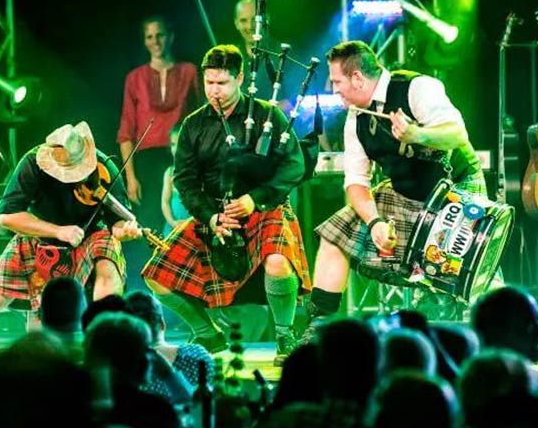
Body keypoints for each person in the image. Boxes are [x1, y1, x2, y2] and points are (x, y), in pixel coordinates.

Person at [142, 44, 311, 361]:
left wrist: (254, 200)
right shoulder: (193, 125)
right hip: (215, 214)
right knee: (156, 275)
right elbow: (185, 181)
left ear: (240, 78)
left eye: (222, 83)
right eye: (209, 82)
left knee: (278, 262)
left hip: (264, 210)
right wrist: (210, 217)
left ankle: (285, 336)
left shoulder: (267, 115)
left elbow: (294, 166)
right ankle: (207, 334)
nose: (214, 91)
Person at [302, 40, 485, 333]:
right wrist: (374, 222)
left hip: (456, 191)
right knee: (334, 237)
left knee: (469, 273)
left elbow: (457, 134)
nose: (334, 90)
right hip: (404, 193)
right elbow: (356, 182)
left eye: (337, 82)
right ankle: (318, 329)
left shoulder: (417, 88)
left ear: (357, 78)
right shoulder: (355, 118)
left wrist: (417, 135)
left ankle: (516, 331)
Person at [0, 122, 140, 331]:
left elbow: (117, 224)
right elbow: (7, 216)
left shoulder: (105, 168)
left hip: (90, 235)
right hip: (38, 235)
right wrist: (58, 231)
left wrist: (123, 232)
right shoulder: (32, 162)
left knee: (107, 271)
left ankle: (103, 336)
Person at [117, 16, 199, 285]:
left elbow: (202, 118)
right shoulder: (135, 78)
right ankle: (148, 286)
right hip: (146, 161)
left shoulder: (189, 71)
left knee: (183, 221)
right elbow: (126, 129)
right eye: (150, 37)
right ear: (144, 41)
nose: (156, 41)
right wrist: (130, 176)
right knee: (147, 225)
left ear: (170, 36)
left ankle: (184, 285)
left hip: (181, 156)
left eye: (160, 35)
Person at [161, 125, 191, 236]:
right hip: (174, 228)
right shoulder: (169, 173)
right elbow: (165, 202)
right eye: (173, 144)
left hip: (193, 228)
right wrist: (173, 222)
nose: (175, 149)